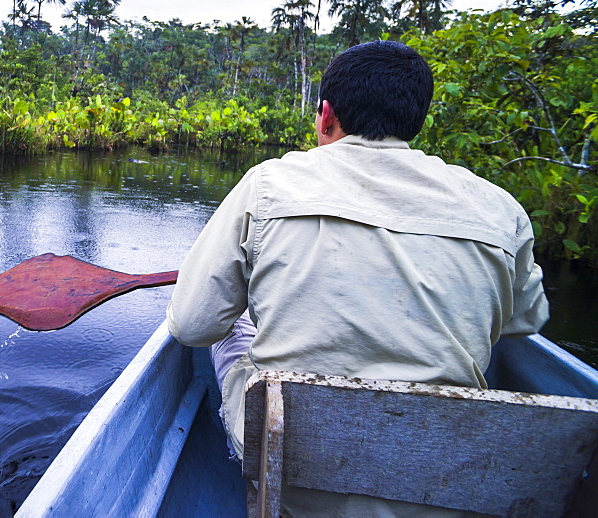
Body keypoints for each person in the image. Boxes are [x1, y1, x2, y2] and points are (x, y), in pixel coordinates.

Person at [166, 40, 549, 515]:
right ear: (415, 121)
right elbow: (526, 320)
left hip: (297, 471)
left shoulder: (269, 184)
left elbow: (191, 326)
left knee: (231, 332)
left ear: (326, 116)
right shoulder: (499, 207)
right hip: (442, 472)